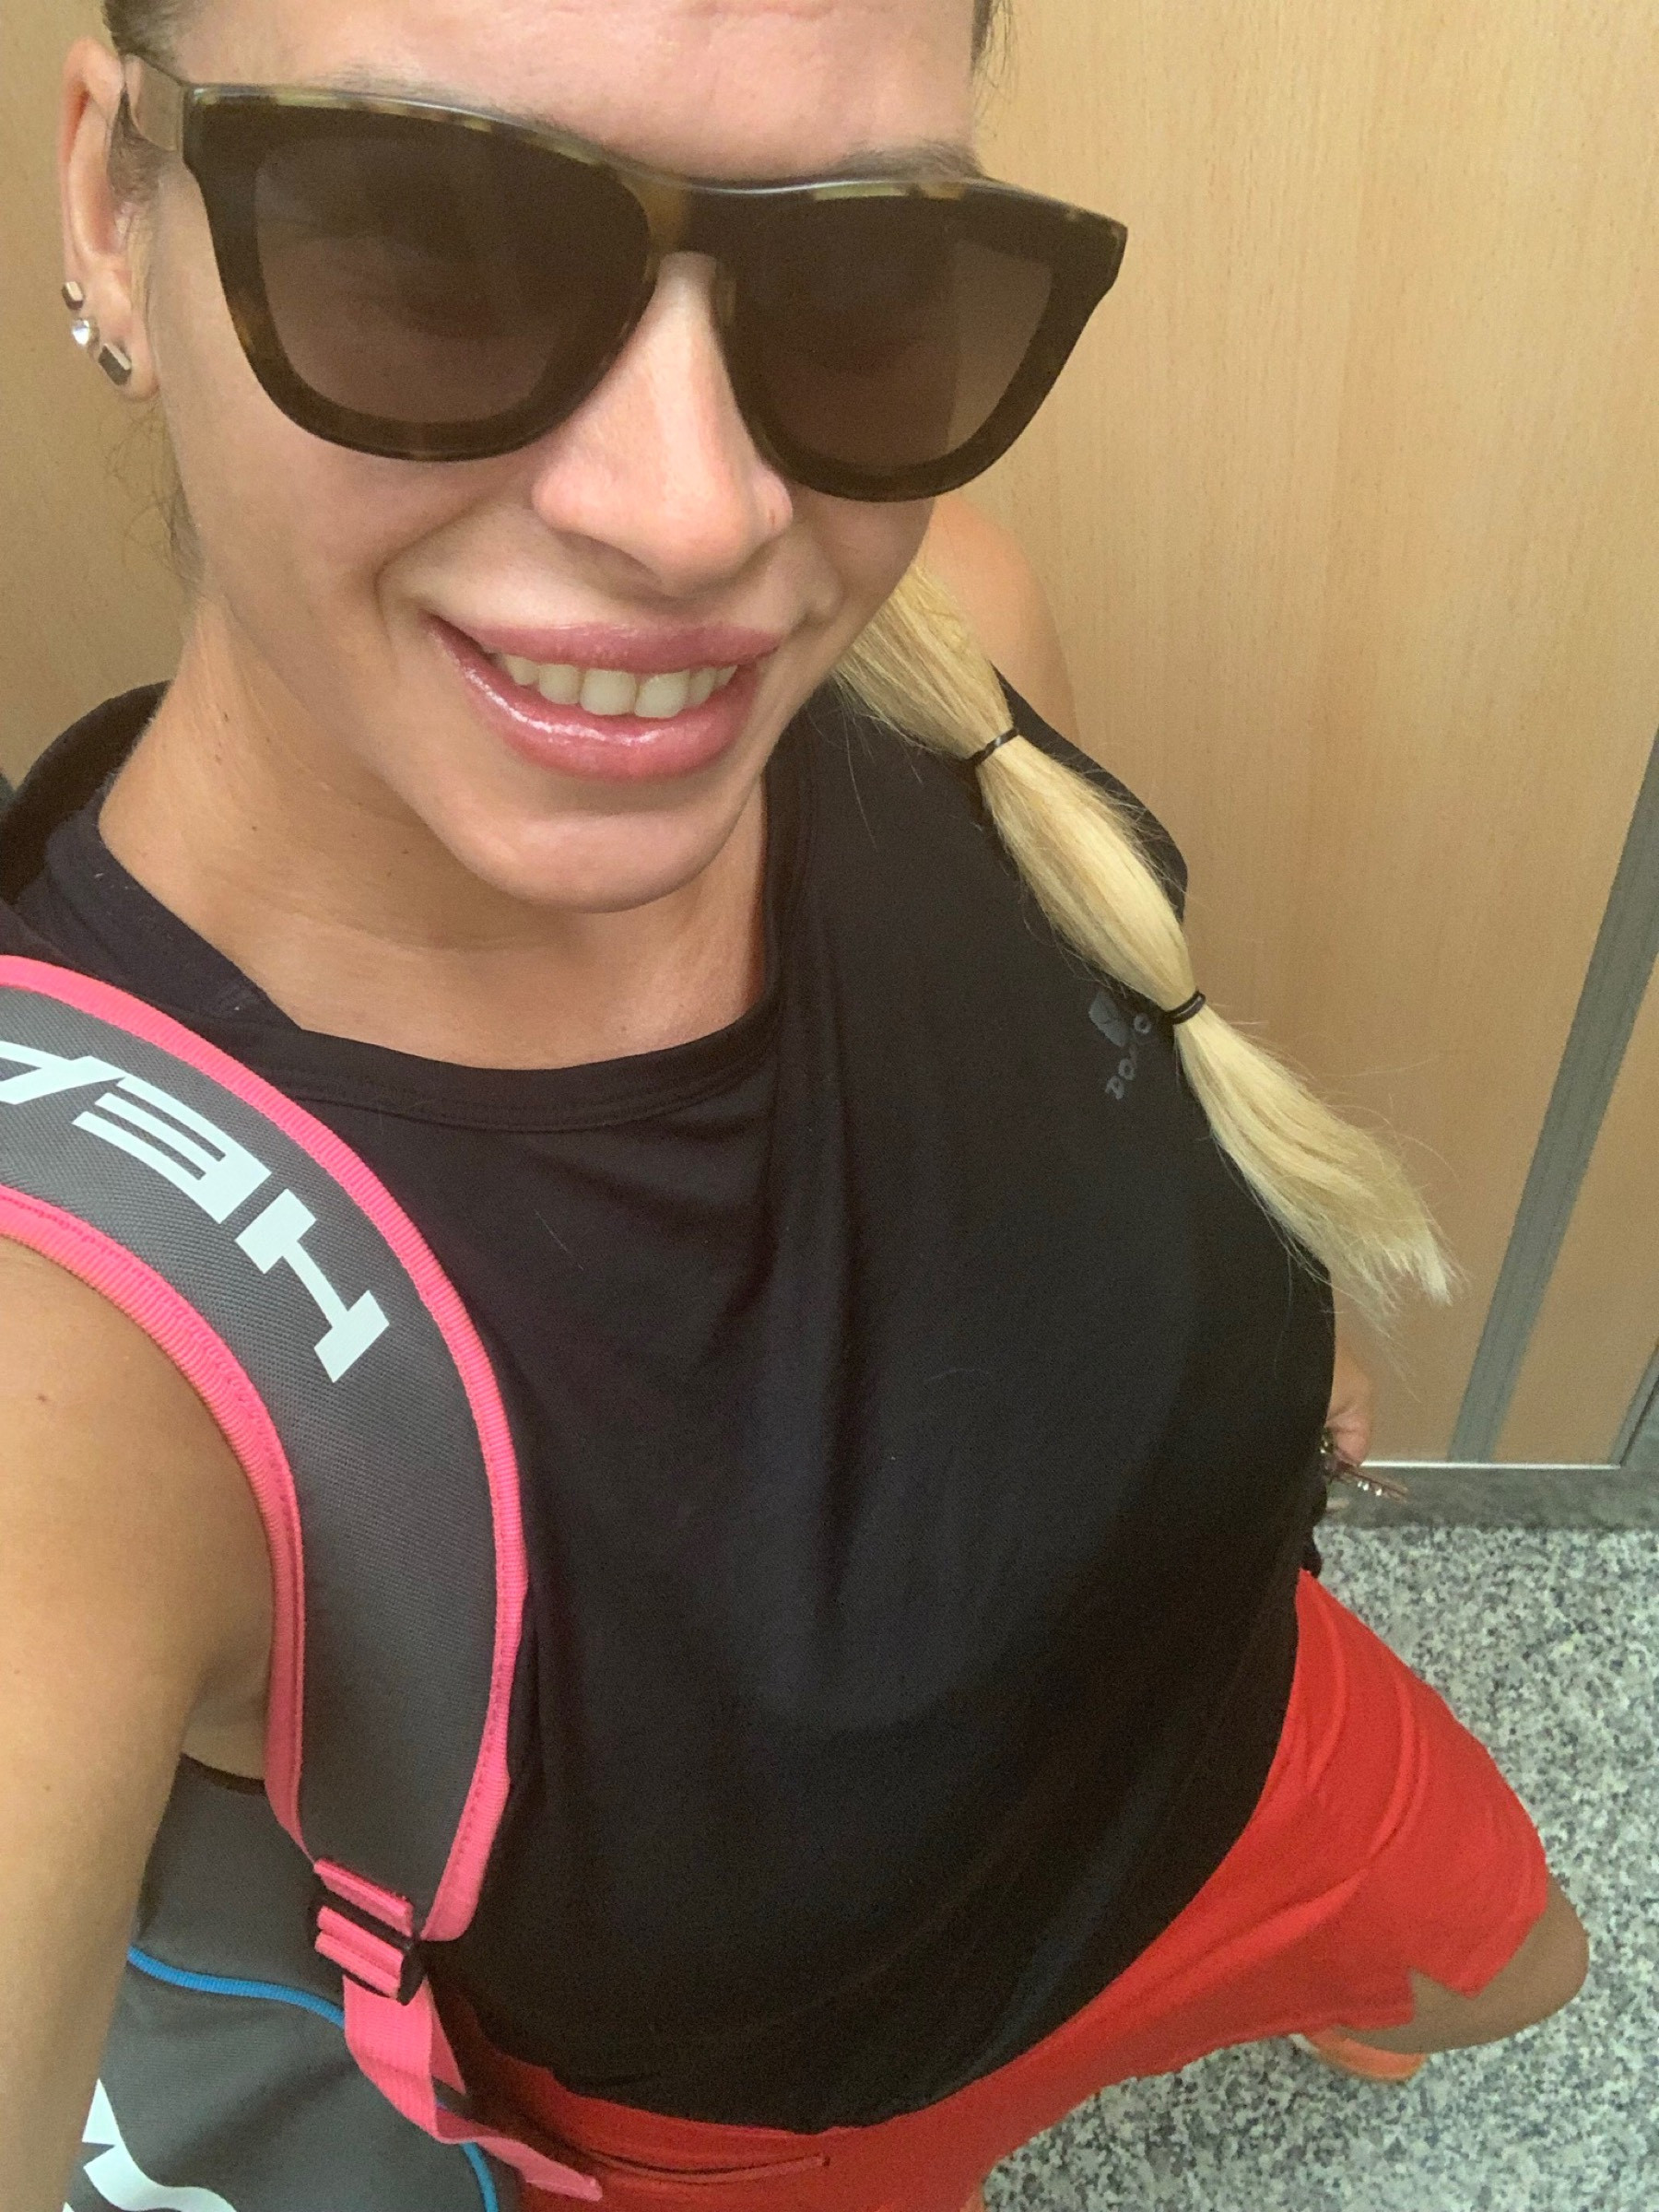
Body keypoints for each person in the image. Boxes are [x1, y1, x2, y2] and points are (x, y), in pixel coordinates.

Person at [1, 2, 1588, 2208]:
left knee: (1524, 1972)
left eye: (858, 268)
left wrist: (1241, 1353)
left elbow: (1090, 1076)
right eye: (437, 240)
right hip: (812, 2124)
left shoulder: (950, 635)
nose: (701, 516)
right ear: (111, 200)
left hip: (1248, 1746)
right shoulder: (73, 1353)